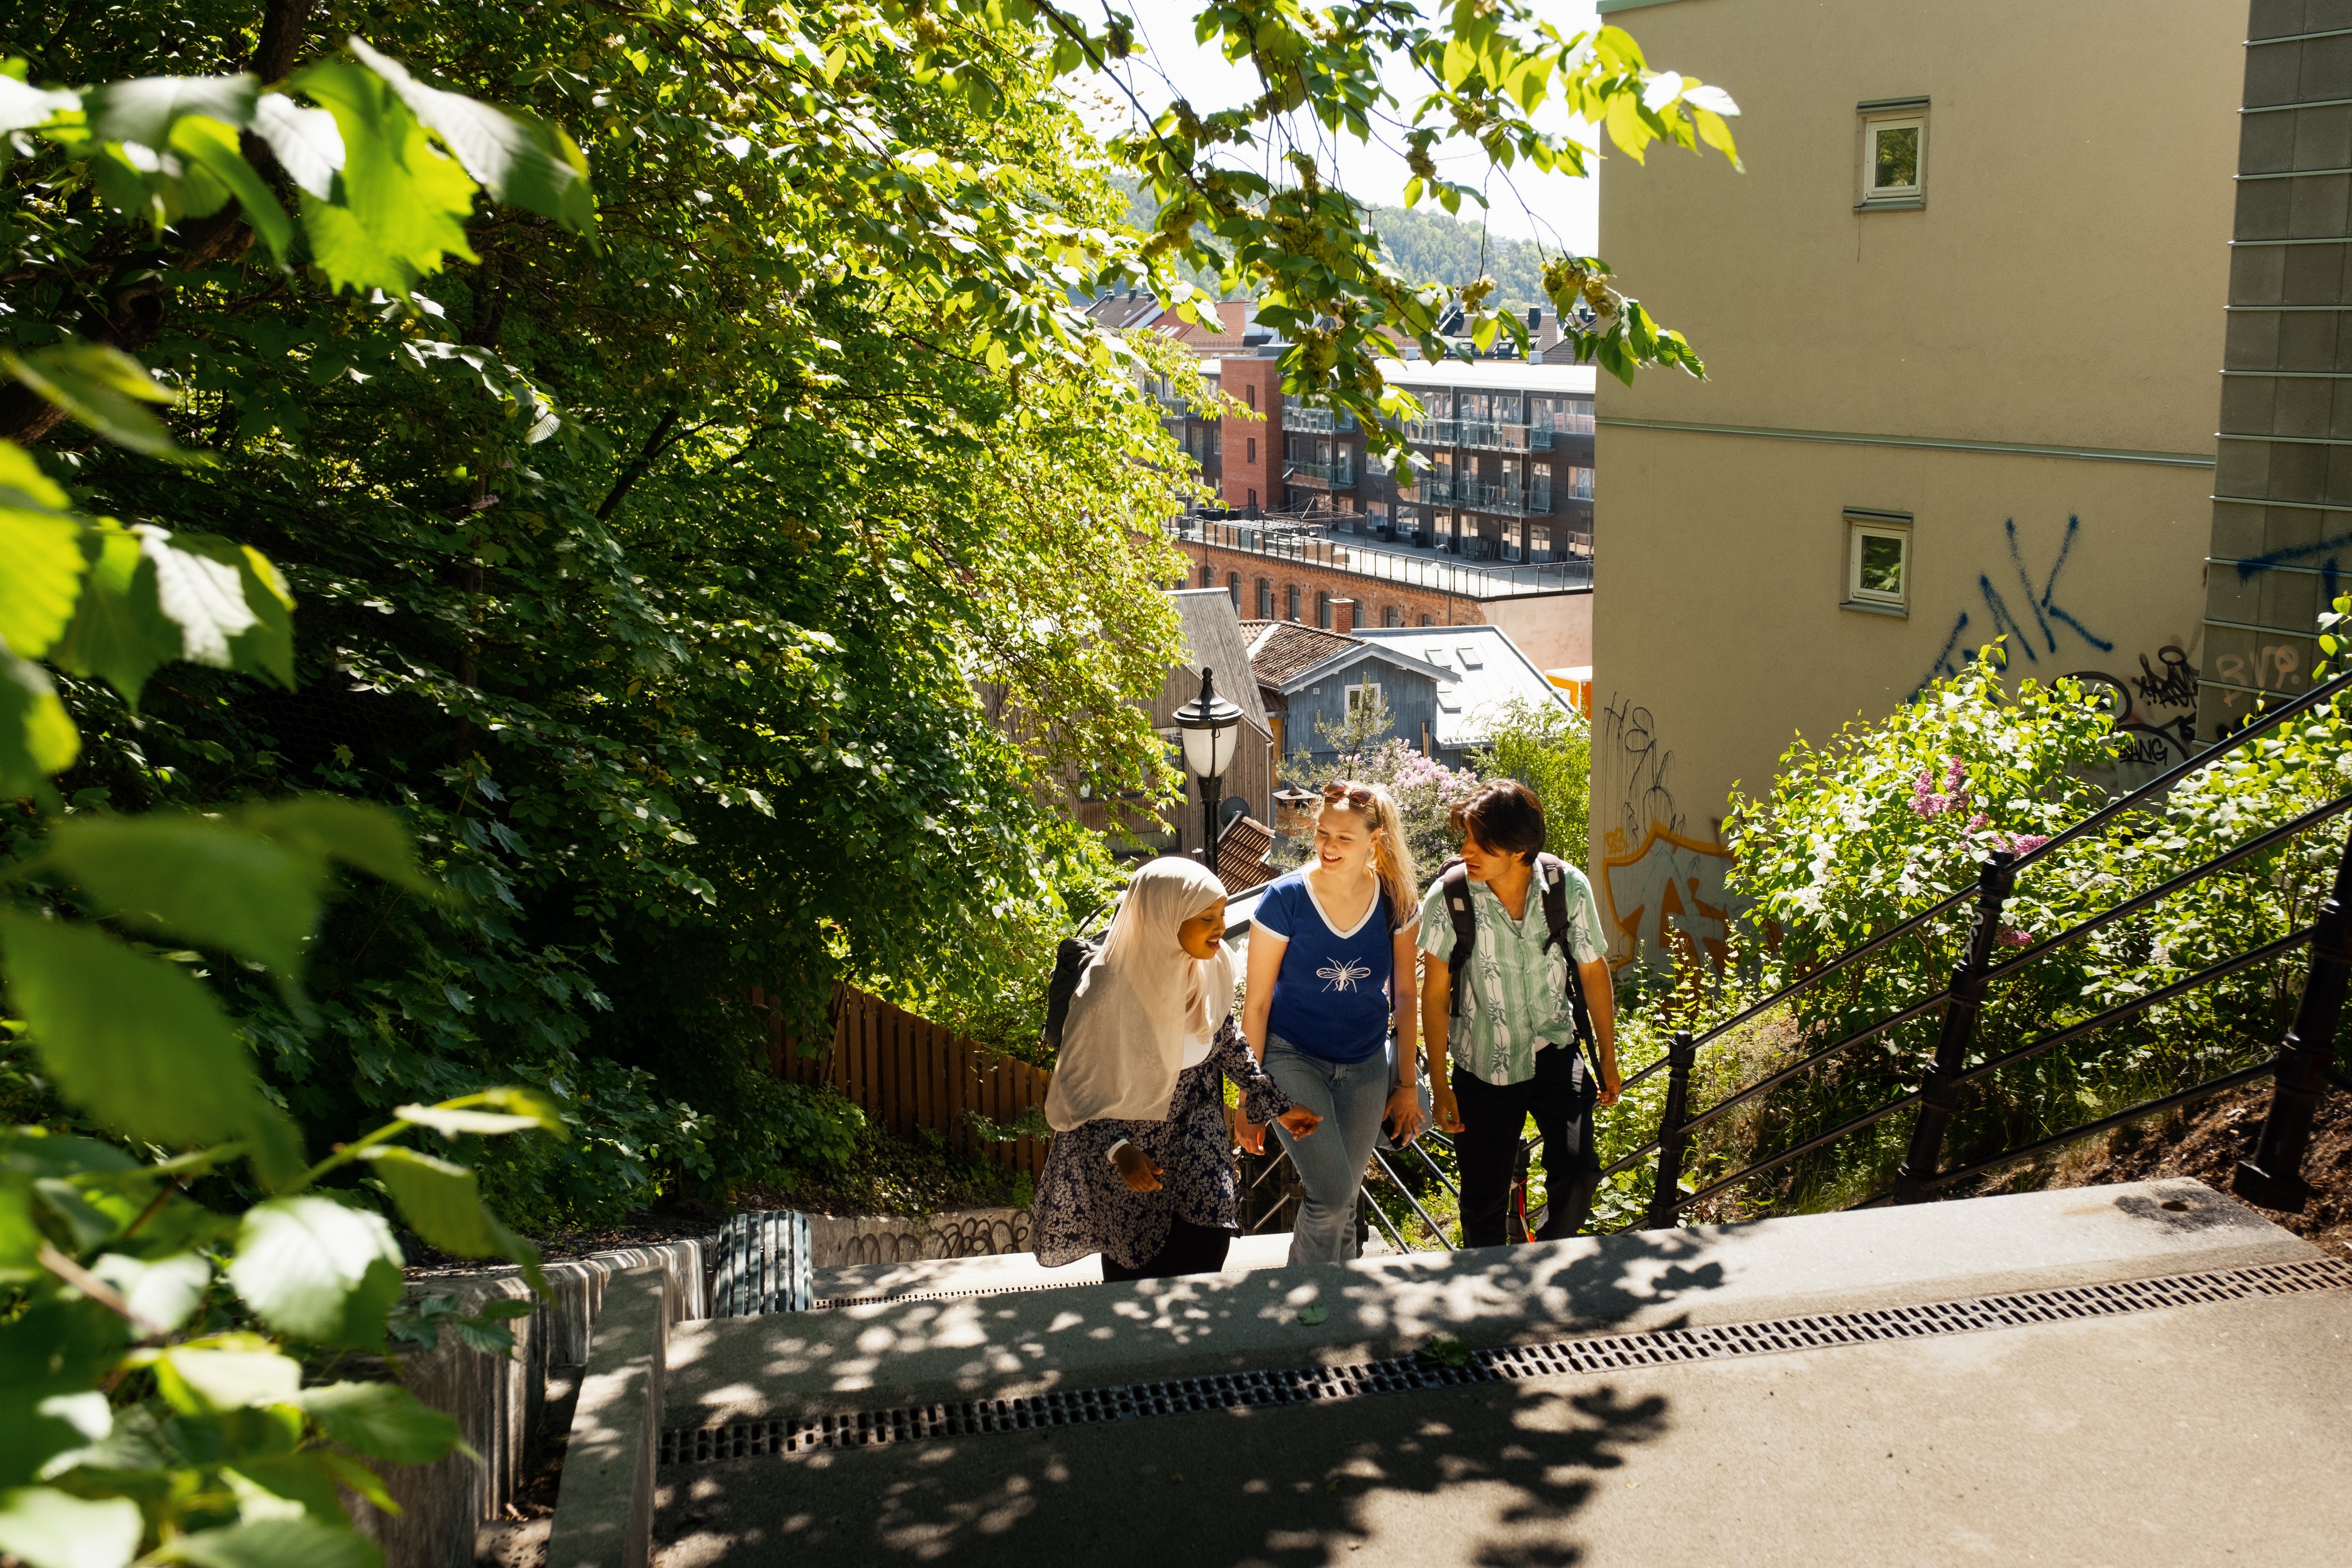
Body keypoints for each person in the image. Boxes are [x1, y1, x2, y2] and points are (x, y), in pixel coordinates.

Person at [1032, 857, 1322, 1281]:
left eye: (1222, 913)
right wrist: (1119, 1150)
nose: (1221, 926)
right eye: (1206, 917)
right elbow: (1076, 1088)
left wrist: (1276, 1104)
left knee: (1207, 1246)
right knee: (1135, 1276)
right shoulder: (1107, 989)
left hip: (1196, 1131)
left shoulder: (1210, 967)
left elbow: (1224, 1039)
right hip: (1132, 1150)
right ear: (1164, 916)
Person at [1418, 779, 1620, 1248]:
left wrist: (1606, 1056)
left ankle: (1542, 1253)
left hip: (1556, 1052)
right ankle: (1488, 1309)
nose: (1465, 849)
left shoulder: (1567, 888)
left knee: (1579, 1172)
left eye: (1478, 839)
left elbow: (1592, 970)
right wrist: (1441, 1084)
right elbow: (1434, 994)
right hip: (1482, 1065)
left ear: (1519, 847)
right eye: (1465, 836)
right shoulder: (1449, 898)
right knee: (1482, 1206)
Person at [1239, 780, 1423, 1264]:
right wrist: (1250, 1097)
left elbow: (1405, 995)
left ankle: (1338, 1308)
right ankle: (1305, 1306)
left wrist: (1407, 1083)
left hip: (1364, 1063)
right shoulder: (1285, 899)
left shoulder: (1396, 901)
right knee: (1331, 1195)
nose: (1327, 846)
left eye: (1344, 837)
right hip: (1291, 1056)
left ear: (1374, 841)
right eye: (1323, 833)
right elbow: (1256, 1006)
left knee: (1343, 1197)